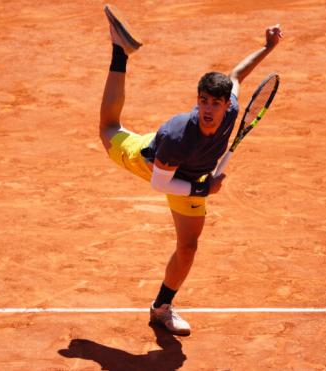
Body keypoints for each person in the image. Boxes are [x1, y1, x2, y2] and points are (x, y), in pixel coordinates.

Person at [100, 4, 283, 336]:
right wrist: (204, 189)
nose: (208, 109)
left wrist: (268, 47)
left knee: (188, 246)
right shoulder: (177, 136)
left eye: (215, 103)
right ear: (197, 100)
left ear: (226, 104)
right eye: (203, 101)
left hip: (191, 178)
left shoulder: (231, 109)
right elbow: (160, 184)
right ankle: (119, 51)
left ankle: (161, 308)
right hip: (154, 162)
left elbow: (238, 75)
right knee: (109, 128)